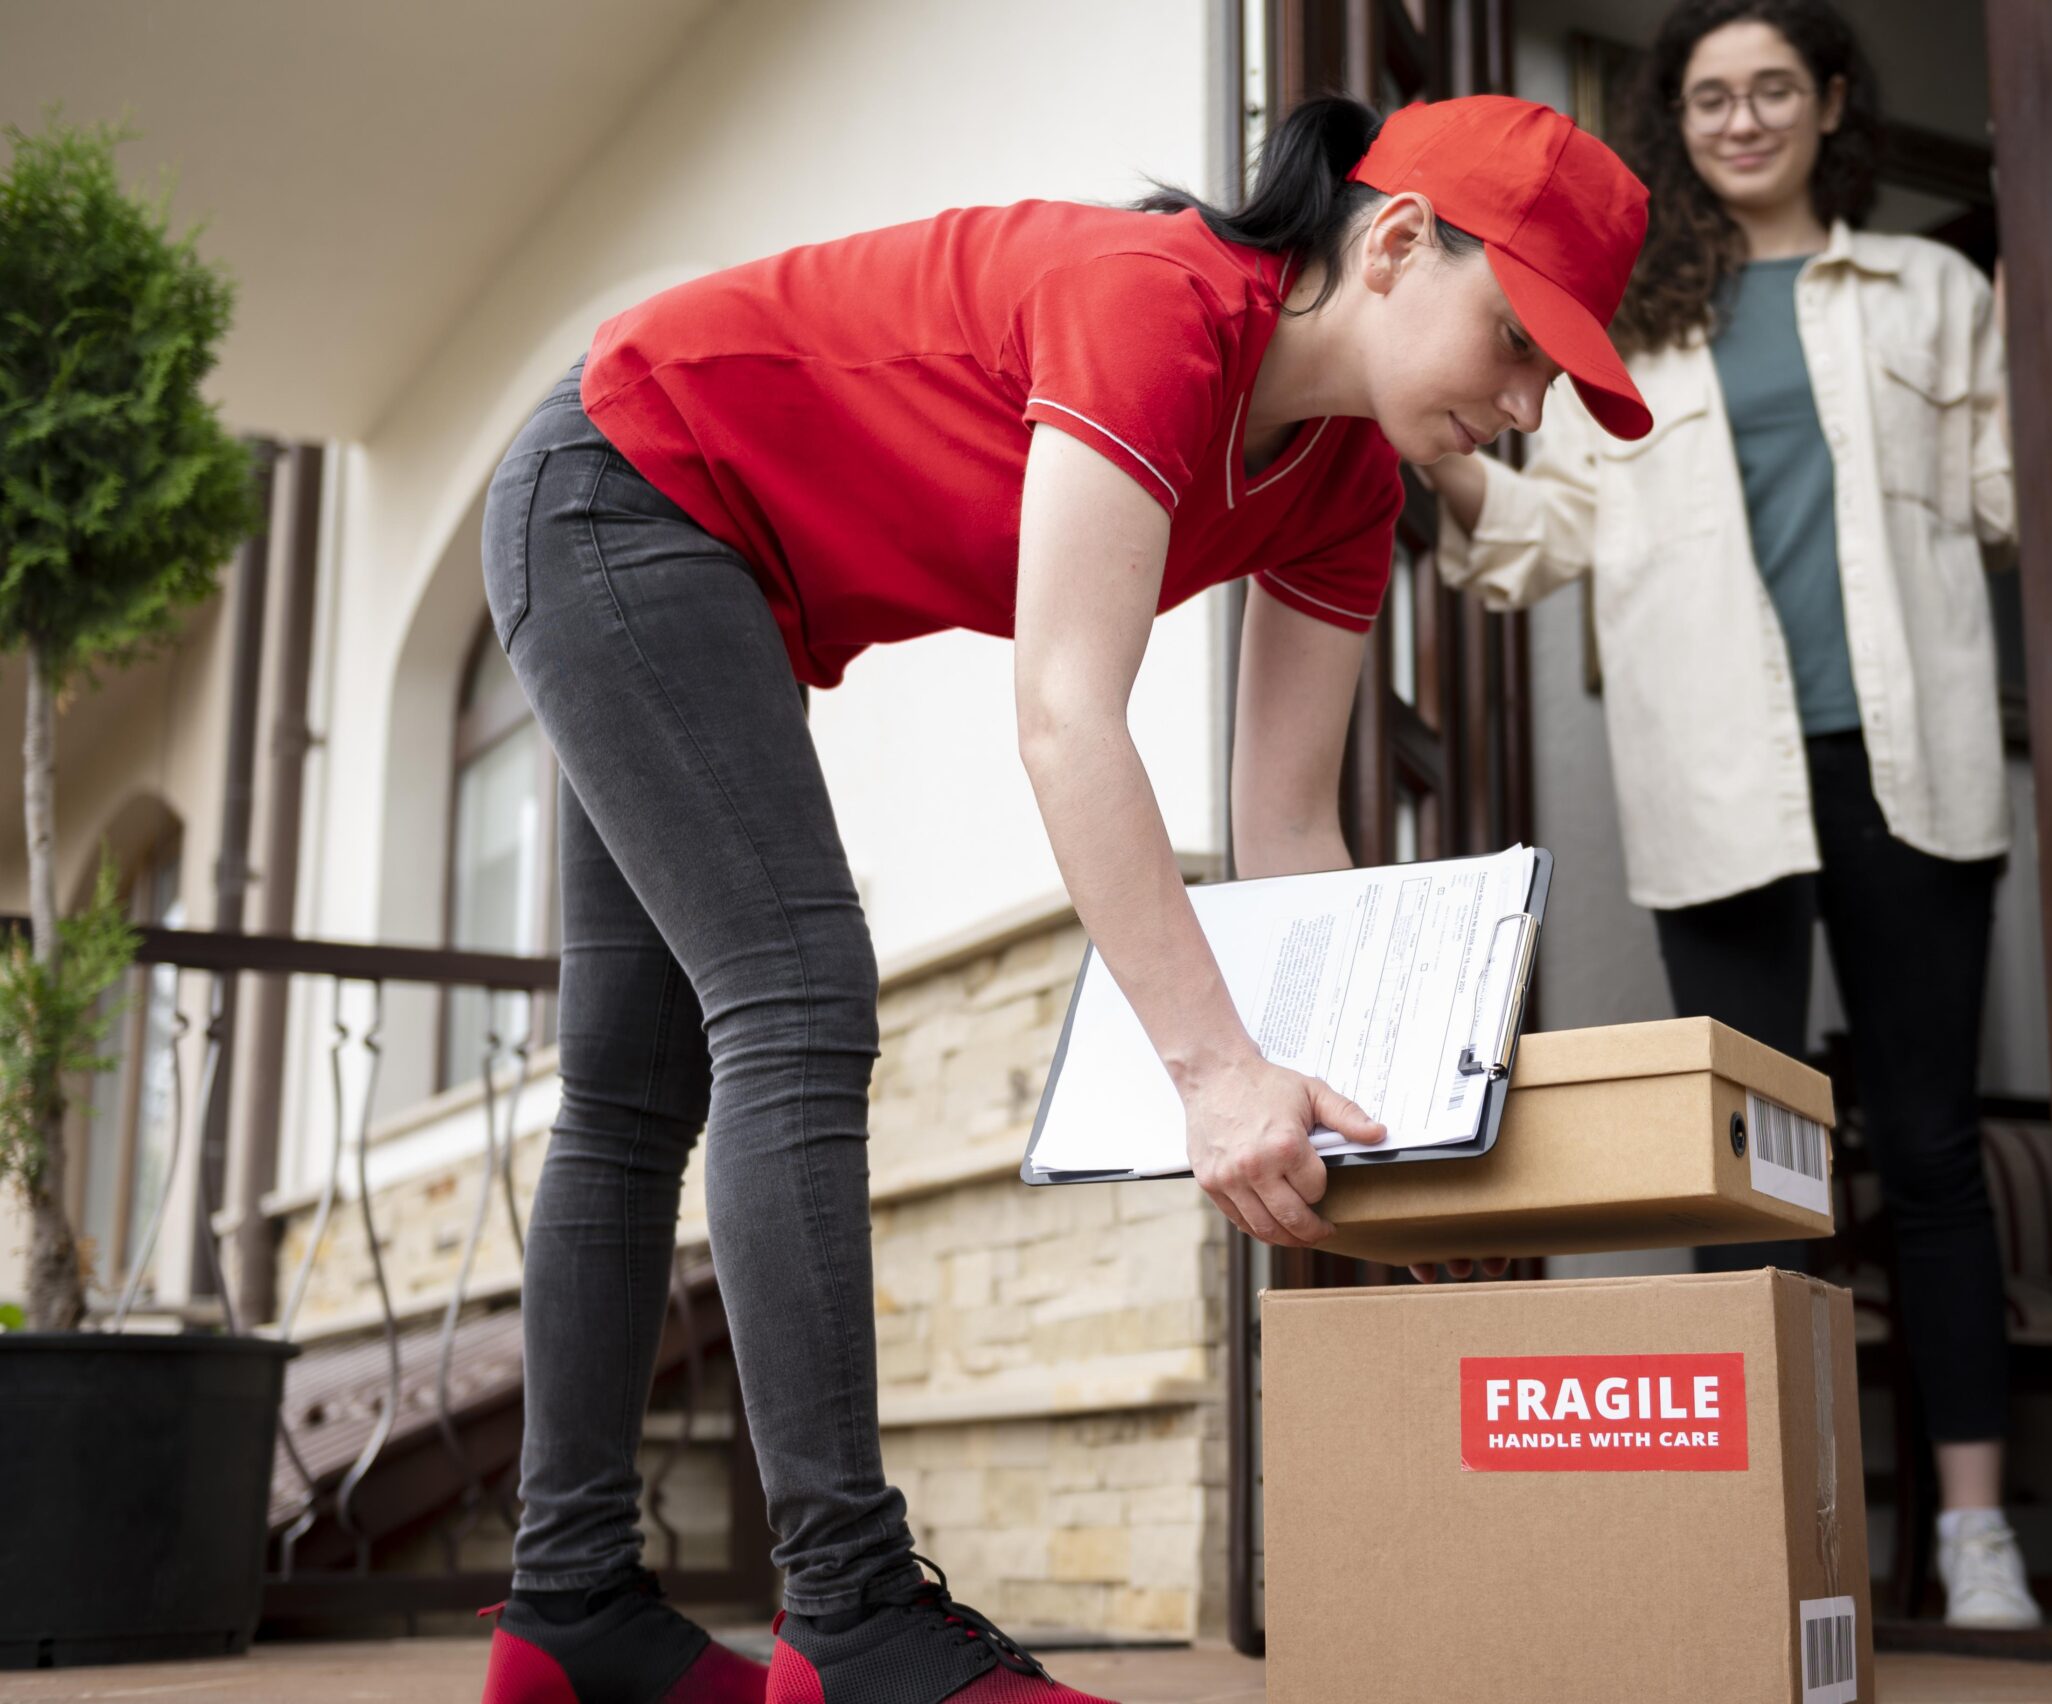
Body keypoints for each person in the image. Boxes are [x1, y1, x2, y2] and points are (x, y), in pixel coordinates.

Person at [472, 93, 1652, 1704]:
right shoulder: (1156, 307)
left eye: (1555, 384)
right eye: (1518, 343)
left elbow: (1287, 827)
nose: (1523, 408)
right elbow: (1066, 718)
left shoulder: (1349, 489)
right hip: (620, 482)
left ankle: (570, 1617)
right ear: (1392, 244)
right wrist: (1212, 1072)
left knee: (637, 1080)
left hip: (708, 565)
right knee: (796, 997)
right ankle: (850, 1612)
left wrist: (1386, 1135)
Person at [1420, 0, 2035, 1631]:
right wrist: (1401, 415)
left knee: (1930, 1144)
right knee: (1750, 1165)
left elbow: (2013, 502)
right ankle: (1768, 1534)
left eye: (1775, 88)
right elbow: (1536, 531)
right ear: (1672, 123)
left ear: (1834, 103)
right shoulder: (1632, 320)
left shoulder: (1934, 291)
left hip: (1911, 768)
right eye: (1710, 97)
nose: (1744, 119)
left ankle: (1975, 1533)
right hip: (1718, 775)